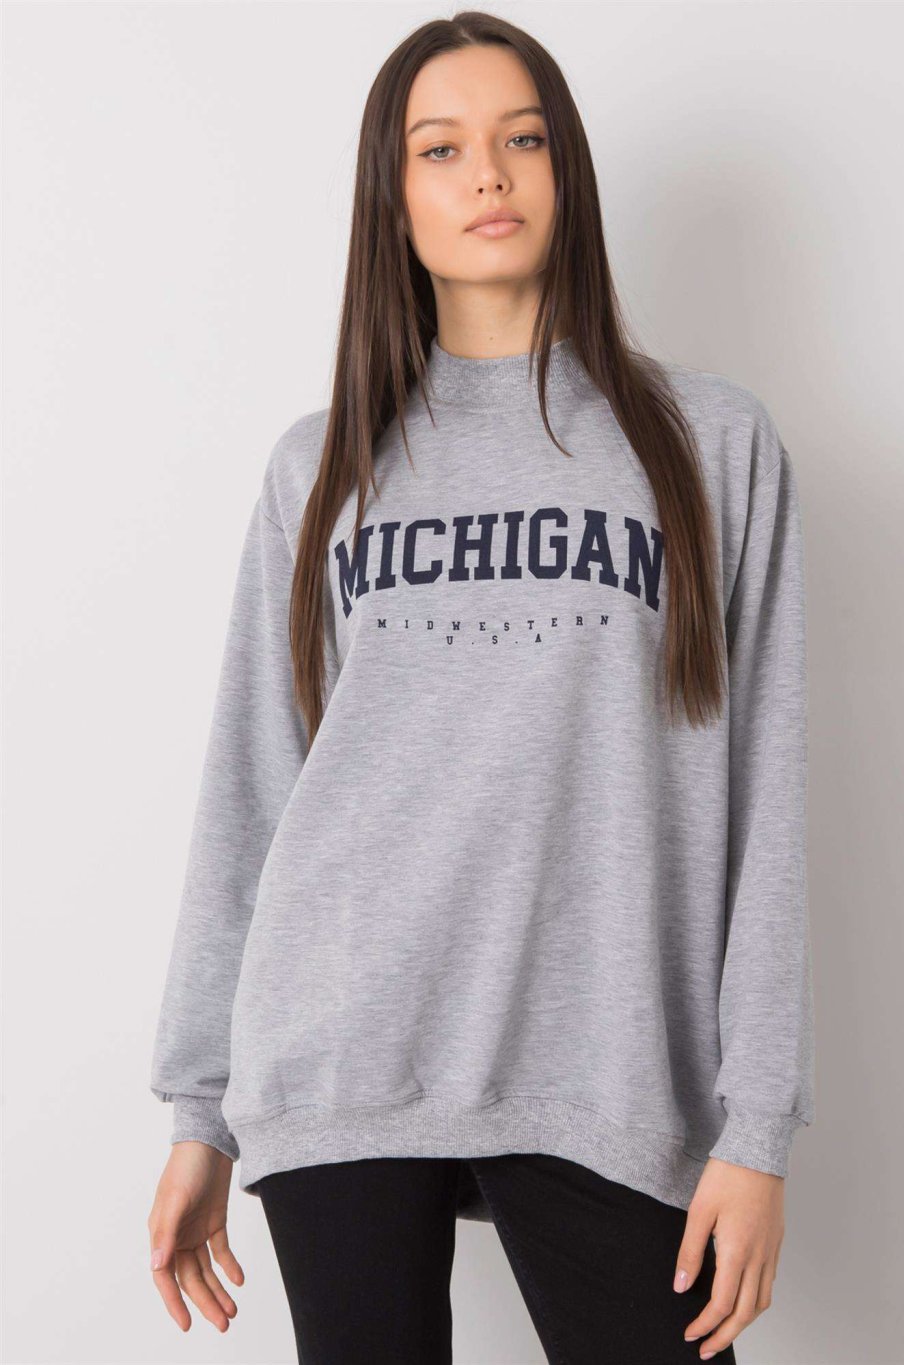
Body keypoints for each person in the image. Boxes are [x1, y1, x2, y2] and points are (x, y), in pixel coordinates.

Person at [146, 12, 815, 1364]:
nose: (490, 174)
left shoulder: (710, 446)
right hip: (340, 1049)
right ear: (391, 196)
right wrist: (200, 1110)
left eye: (523, 139)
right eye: (440, 149)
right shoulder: (321, 466)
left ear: (567, 171)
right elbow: (255, 784)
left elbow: (769, 802)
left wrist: (757, 1127)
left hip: (608, 1063)